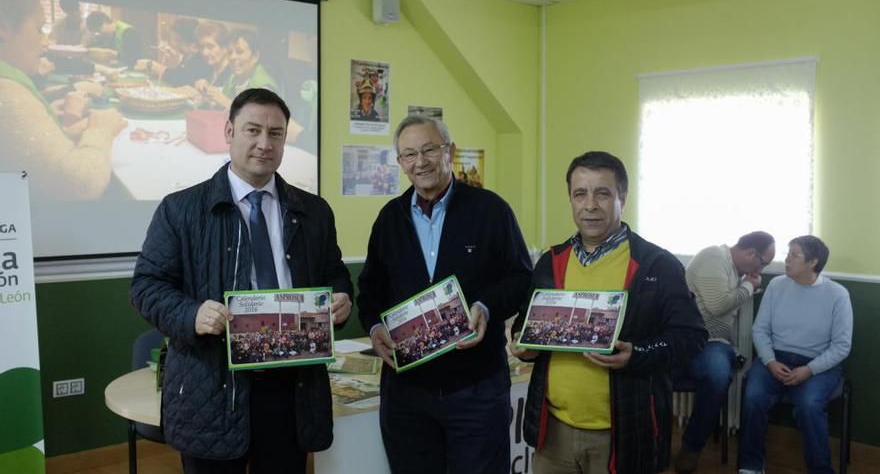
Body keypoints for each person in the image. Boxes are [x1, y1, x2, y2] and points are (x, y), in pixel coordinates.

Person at [130, 88, 352, 474]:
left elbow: (333, 273)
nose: (264, 144)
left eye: (276, 133)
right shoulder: (180, 209)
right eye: (253, 130)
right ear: (229, 132)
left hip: (291, 390)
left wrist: (341, 298)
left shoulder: (314, 211)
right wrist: (191, 313)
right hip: (212, 390)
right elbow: (146, 286)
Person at [510, 151, 707, 474]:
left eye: (602, 193)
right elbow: (524, 325)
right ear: (571, 199)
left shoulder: (656, 265)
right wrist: (523, 345)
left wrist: (637, 354)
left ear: (622, 197)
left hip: (623, 434)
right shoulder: (551, 262)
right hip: (553, 431)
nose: (590, 205)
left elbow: (692, 336)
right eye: (580, 194)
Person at [358, 115, 532, 473]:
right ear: (400, 163)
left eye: (428, 150)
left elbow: (520, 278)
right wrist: (375, 328)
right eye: (409, 154)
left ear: (449, 151)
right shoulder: (389, 219)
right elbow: (371, 290)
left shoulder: (491, 210)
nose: (419, 162)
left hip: (476, 389)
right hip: (408, 395)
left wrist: (486, 307)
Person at [738, 235, 852, 474]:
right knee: (754, 397)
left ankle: (821, 470)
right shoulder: (777, 286)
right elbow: (760, 329)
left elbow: (841, 346)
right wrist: (769, 361)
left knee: (809, 405)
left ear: (813, 262)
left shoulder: (838, 295)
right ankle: (751, 464)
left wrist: (809, 370)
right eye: (787, 254)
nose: (786, 259)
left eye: (793, 255)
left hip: (817, 364)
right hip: (775, 358)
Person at [0, 0, 126, 200]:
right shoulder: (5, 90)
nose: (45, 42)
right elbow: (78, 183)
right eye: (39, 29)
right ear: (3, 27)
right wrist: (98, 130)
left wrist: (64, 132)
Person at [674, 231, 775, 473]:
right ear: (751, 254)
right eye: (763, 262)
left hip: (713, 343)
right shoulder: (715, 256)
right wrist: (749, 286)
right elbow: (718, 306)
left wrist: (745, 284)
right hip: (685, 339)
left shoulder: (733, 270)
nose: (761, 270)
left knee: (718, 377)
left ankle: (691, 447)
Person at [134, 17, 211, 86]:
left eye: (176, 40)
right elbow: (181, 72)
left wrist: (157, 68)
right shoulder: (188, 54)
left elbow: (183, 79)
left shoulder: (201, 57)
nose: (173, 43)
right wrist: (176, 59)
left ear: (188, 41)